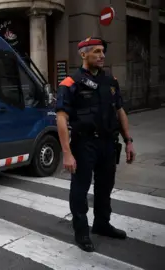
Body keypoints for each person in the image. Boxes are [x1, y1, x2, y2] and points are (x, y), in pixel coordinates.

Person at [55, 37, 136, 252]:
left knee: (105, 186)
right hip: (84, 144)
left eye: (103, 52)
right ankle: (81, 231)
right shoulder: (70, 83)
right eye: (97, 52)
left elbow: (120, 111)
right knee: (80, 189)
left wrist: (128, 141)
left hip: (108, 143)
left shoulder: (110, 81)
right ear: (83, 54)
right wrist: (67, 153)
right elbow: (61, 118)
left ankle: (102, 223)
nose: (102, 56)